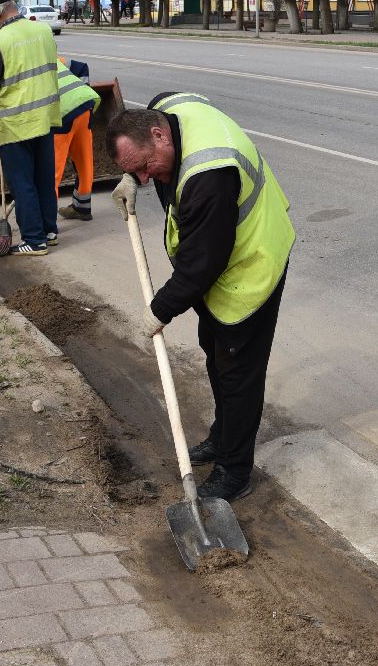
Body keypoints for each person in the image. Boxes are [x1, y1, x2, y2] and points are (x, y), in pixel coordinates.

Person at [107, 95, 295, 502]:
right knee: (214, 350)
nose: (143, 178)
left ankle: (234, 471)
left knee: (238, 372)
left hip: (251, 265)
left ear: (160, 136)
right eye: (133, 172)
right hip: (221, 256)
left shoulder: (210, 176)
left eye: (143, 168)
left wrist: (159, 310)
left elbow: (200, 266)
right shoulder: (167, 109)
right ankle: (221, 438)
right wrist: (127, 176)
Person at [0, 0, 62, 255]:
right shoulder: (43, 31)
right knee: (44, 179)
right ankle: (50, 231)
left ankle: (35, 241)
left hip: (15, 123)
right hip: (45, 117)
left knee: (23, 183)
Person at [52, 55, 100, 225]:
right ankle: (82, 207)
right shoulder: (57, 58)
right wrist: (83, 87)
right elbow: (81, 66)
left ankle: (48, 225)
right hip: (84, 106)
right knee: (84, 161)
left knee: (51, 172)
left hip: (61, 115)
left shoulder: (27, 67)